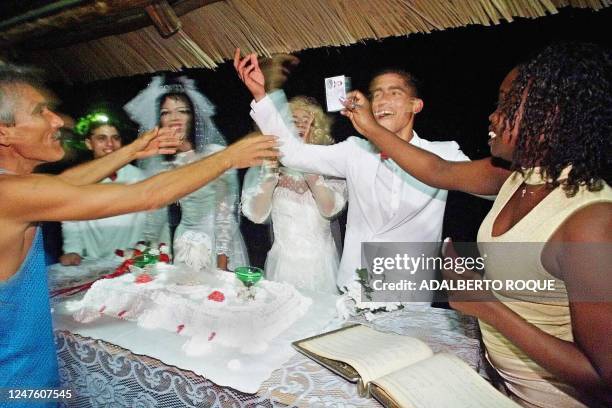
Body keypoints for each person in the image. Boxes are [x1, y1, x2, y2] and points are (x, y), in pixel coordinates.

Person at [340, 43, 612, 407]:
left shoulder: (589, 221)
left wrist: (485, 303)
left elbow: (602, 378)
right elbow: (439, 170)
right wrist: (372, 129)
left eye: (507, 106)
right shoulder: (517, 177)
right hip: (501, 384)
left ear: (550, 117)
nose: (493, 117)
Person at [0, 63, 277, 395]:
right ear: (4, 132)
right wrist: (229, 157)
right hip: (16, 382)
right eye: (40, 112)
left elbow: (63, 183)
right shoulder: (10, 194)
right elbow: (147, 196)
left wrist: (132, 150)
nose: (57, 120)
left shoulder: (17, 189)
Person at [234, 49, 471, 292]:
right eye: (376, 94)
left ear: (416, 105)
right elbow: (293, 154)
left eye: (394, 92)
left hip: (411, 289)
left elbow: (495, 186)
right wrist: (261, 95)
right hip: (355, 286)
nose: (382, 99)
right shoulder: (353, 150)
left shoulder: (444, 154)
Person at [125, 76, 249, 272]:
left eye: (182, 111)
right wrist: (144, 246)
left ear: (194, 116)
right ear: (159, 121)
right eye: (166, 113)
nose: (174, 118)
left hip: (217, 241)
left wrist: (222, 259)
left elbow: (226, 211)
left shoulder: (215, 154)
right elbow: (155, 212)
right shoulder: (161, 163)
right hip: (183, 240)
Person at [241, 96, 347, 293]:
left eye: (306, 121)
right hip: (283, 268)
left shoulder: (330, 169)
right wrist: (270, 175)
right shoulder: (266, 170)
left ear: (316, 128)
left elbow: (329, 209)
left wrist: (305, 160)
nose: (299, 125)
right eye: (293, 120)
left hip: (322, 268)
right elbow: (256, 215)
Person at [60, 114, 147, 265]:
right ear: (89, 143)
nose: (110, 144)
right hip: (91, 260)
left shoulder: (138, 177)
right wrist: (73, 250)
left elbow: (151, 217)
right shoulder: (79, 179)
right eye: (102, 138)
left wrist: (145, 248)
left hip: (131, 260)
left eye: (116, 138)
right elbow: (70, 219)